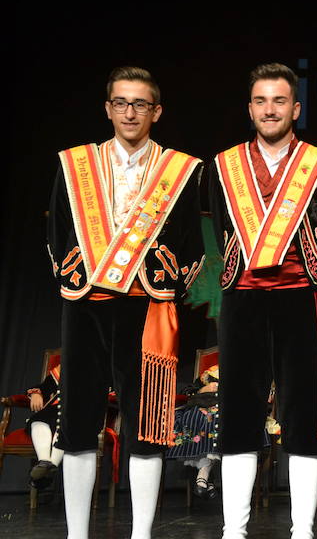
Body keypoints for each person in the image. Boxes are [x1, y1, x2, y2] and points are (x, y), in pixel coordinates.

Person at [47, 66, 204, 539]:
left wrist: (162, 280)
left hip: (147, 309)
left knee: (147, 425)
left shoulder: (179, 169)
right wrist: (83, 275)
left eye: (140, 104)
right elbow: (57, 232)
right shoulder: (75, 164)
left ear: (156, 111)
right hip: (86, 305)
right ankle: (77, 533)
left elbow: (193, 245)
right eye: (120, 102)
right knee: (77, 421)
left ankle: (141, 534)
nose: (129, 112)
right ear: (108, 108)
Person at [210, 63, 317, 539]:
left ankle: (302, 530)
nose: (270, 110)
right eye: (261, 101)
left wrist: (309, 263)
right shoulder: (224, 165)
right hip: (243, 300)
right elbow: (224, 234)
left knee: (305, 415)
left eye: (280, 101)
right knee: (238, 412)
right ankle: (234, 529)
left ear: (296, 108)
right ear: (250, 109)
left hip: (301, 298)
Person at [166, 364, 221, 499]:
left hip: (226, 409)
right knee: (192, 418)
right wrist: (203, 389)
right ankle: (207, 477)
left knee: (214, 420)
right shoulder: (209, 373)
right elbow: (188, 391)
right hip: (201, 407)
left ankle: (204, 474)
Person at [25, 364, 64, 490]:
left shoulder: (102, 365)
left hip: (80, 413)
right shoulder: (63, 369)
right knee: (38, 420)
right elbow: (44, 387)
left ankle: (48, 469)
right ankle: (45, 463)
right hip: (53, 410)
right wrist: (37, 393)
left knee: (67, 427)